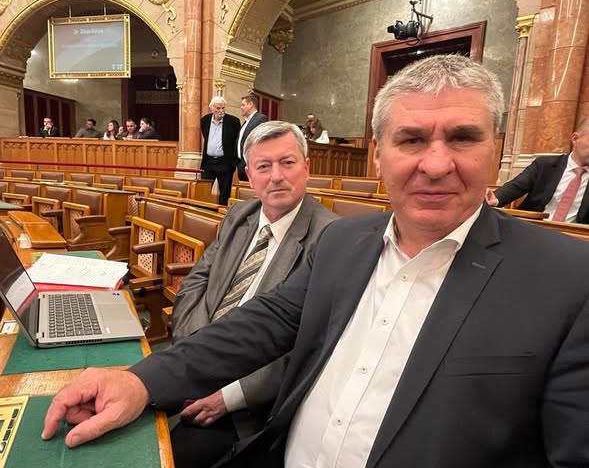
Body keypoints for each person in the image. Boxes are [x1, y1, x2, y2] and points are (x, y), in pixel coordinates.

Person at [43, 55, 589, 468]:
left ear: (495, 149)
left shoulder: (569, 280)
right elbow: (260, 325)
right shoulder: (345, 242)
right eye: (411, 140)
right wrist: (141, 382)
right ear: (378, 154)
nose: (436, 163)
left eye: (463, 138)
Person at [171, 120, 338, 467]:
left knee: (173, 456)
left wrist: (227, 395)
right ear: (248, 175)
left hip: (254, 400)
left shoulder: (331, 237)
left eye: (287, 163)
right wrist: (197, 361)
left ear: (306, 167)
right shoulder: (240, 215)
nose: (276, 176)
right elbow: (194, 285)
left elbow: (313, 343)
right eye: (263, 166)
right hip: (197, 363)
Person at [486, 118, 589, 223]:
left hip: (573, 232)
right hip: (532, 226)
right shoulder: (544, 165)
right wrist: (495, 198)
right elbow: (516, 186)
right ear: (575, 139)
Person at [200, 96, 241, 205]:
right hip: (208, 162)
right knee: (204, 190)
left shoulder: (233, 121)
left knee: (224, 193)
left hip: (225, 162)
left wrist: (234, 162)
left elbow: (237, 142)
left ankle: (222, 213)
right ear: (212, 108)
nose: (221, 111)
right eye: (218, 108)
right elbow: (206, 137)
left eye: (223, 108)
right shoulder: (205, 120)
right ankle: (204, 212)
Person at [236, 94, 267, 181]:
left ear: (250, 104)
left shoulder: (260, 118)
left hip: (251, 163)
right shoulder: (246, 121)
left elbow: (260, 141)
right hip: (241, 163)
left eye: (243, 105)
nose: (241, 107)